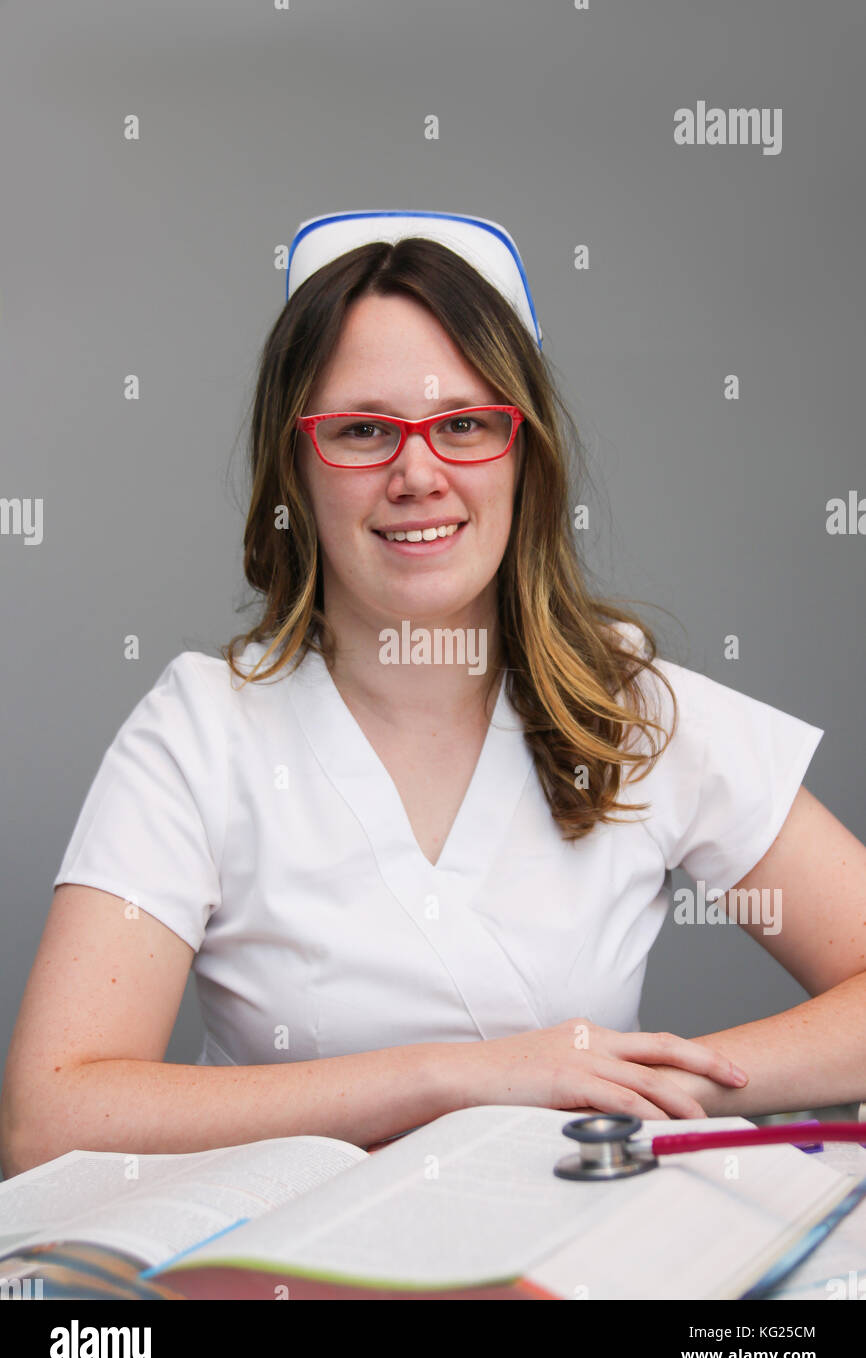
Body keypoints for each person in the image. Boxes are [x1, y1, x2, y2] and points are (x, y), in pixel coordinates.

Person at [2, 211, 865, 1181]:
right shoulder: (202, 731)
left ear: (523, 455)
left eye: (462, 424)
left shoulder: (631, 712)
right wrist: (453, 1080)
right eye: (362, 430)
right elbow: (51, 1116)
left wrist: (644, 1090)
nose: (418, 473)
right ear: (294, 464)